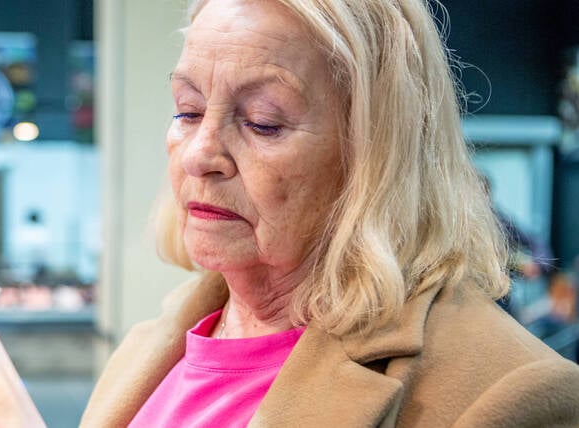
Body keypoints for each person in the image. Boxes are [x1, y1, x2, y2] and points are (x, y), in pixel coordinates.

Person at [81, 0, 579, 426]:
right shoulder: (154, 343)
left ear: (377, 157)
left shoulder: (511, 393)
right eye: (188, 111)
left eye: (263, 122)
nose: (197, 155)